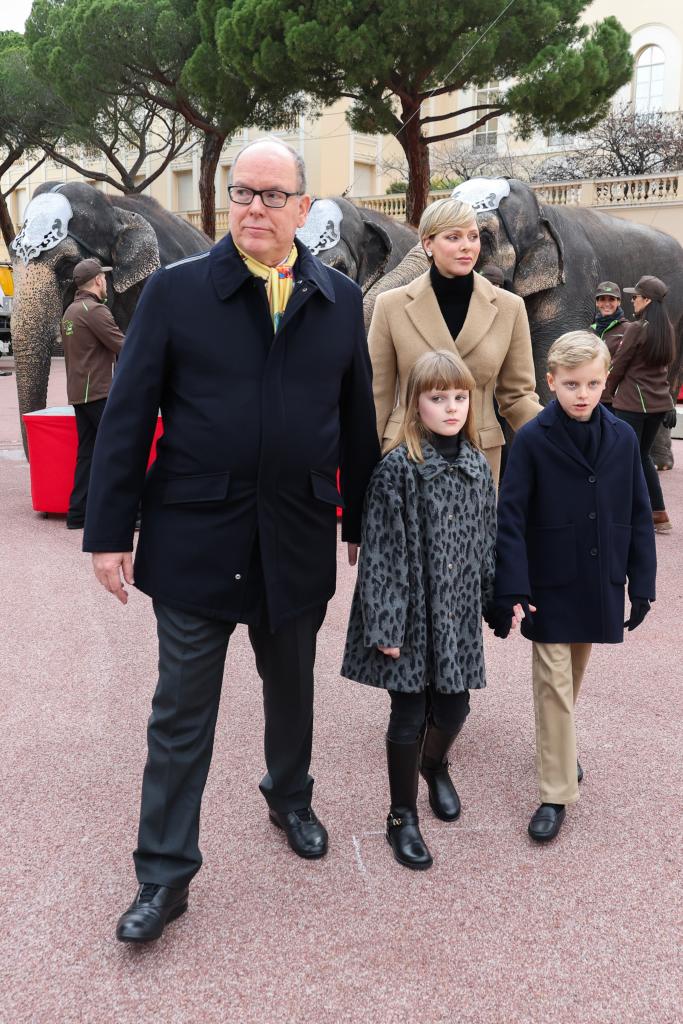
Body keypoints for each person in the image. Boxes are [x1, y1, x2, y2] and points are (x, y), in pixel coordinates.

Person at [82, 138, 379, 943]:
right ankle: (164, 875)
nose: (254, 206)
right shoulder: (177, 295)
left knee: (291, 687)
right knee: (180, 712)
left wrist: (361, 520)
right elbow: (127, 417)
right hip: (194, 535)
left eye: (272, 195)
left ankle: (289, 795)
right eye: (242, 191)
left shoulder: (341, 299)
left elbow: (356, 419)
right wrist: (109, 533)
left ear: (302, 209)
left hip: (297, 532)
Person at [487, 331, 656, 842]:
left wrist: (641, 583)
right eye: (571, 384)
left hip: (599, 577)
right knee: (554, 681)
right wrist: (512, 584)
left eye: (593, 383)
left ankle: (554, 746)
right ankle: (555, 791)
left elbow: (638, 511)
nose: (582, 393)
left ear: (606, 382)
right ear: (551, 381)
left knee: (572, 676)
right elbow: (510, 516)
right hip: (549, 579)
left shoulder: (624, 437)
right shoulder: (533, 437)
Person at [341, 349, 497, 869]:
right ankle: (400, 815)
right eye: (437, 398)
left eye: (459, 397)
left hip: (456, 618)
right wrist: (385, 623)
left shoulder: (478, 465)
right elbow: (381, 554)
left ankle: (436, 765)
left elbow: (487, 542)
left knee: (454, 708)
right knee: (407, 713)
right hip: (409, 617)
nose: (451, 407)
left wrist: (495, 601)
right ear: (416, 404)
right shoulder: (398, 470)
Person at [368, 197, 542, 485]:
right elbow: (378, 396)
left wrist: (560, 434)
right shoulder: (390, 306)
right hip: (406, 456)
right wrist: (366, 467)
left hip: (479, 460)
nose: (467, 246)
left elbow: (517, 397)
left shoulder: (510, 308)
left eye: (473, 236)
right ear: (428, 244)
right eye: (453, 237)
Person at [602, 275, 677, 533]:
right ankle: (659, 513)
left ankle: (622, 516)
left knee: (622, 459)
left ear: (646, 300)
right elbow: (663, 371)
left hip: (632, 406)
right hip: (657, 407)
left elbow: (618, 365)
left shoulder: (636, 329)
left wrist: (603, 393)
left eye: (635, 296)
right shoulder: (665, 328)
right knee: (642, 458)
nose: (632, 300)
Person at [60, 258, 124, 529]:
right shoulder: (94, 311)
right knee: (120, 451)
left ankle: (78, 514)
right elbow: (124, 346)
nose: (106, 282)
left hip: (79, 394)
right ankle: (130, 514)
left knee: (87, 455)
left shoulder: (71, 312)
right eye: (104, 278)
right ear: (98, 280)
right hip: (98, 393)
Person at [590, 281, 629, 360]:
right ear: (597, 303)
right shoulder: (590, 331)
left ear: (618, 302)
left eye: (611, 299)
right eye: (602, 299)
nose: (607, 304)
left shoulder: (628, 329)